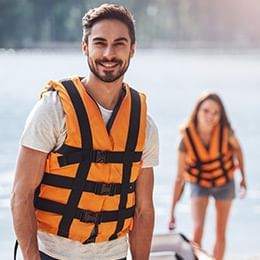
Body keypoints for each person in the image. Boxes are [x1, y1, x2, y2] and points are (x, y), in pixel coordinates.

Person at [11, 4, 159, 260]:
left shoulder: (143, 125)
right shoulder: (52, 110)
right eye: (100, 43)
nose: (109, 53)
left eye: (119, 44)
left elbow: (143, 211)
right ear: (85, 46)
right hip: (51, 254)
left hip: (113, 255)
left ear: (132, 49)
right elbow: (20, 195)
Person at [169, 92, 246, 260]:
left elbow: (239, 150)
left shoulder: (226, 133)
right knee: (197, 231)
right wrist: (172, 211)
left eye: (215, 113)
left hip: (224, 183)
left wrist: (243, 179)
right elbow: (179, 178)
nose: (210, 116)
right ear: (197, 111)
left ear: (220, 116)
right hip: (199, 184)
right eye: (206, 111)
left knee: (220, 233)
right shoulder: (185, 139)